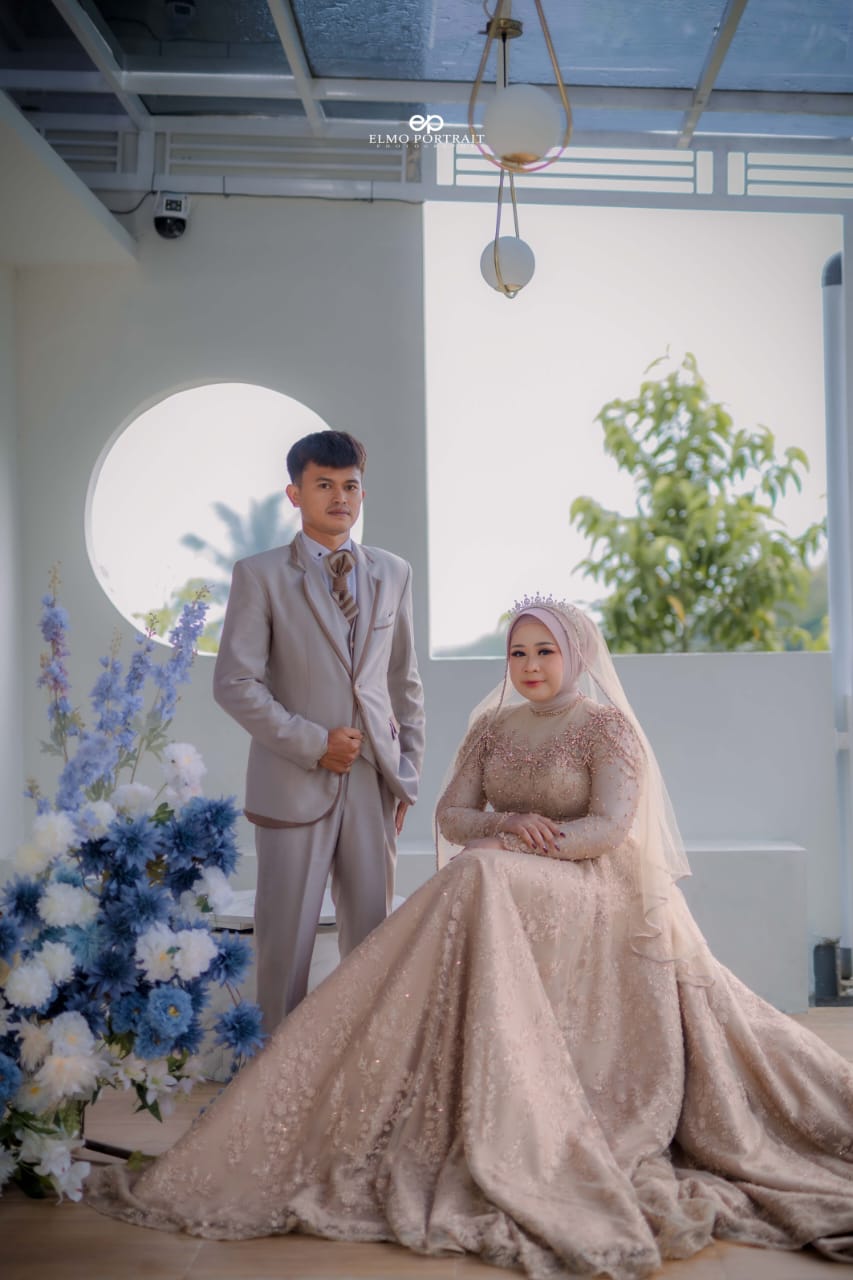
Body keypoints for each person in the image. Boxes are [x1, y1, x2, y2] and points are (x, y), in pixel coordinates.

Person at [87, 598, 853, 1277]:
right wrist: (503, 823)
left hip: (591, 887)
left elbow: (609, 828)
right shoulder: (491, 728)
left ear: (575, 654)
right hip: (506, 875)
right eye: (518, 652)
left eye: (544, 651)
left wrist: (528, 842)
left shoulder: (605, 727)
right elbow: (451, 817)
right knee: (476, 871)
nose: (529, 665)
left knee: (479, 872)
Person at [212, 430, 425, 1032]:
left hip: (374, 783)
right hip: (293, 782)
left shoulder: (394, 572)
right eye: (324, 485)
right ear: (295, 494)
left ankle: (363, 1071)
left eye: (350, 486)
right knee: (284, 949)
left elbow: (404, 681)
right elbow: (235, 683)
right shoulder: (260, 575)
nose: (339, 497)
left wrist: (405, 775)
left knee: (374, 946)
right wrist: (314, 743)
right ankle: (272, 1077)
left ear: (363, 493)